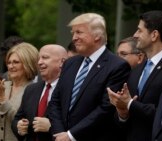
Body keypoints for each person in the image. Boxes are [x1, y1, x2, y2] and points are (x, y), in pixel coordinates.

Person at [48, 13, 131, 141]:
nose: (74, 38)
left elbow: (106, 108)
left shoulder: (117, 66)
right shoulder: (70, 63)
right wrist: (60, 133)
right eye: (73, 33)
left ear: (97, 36)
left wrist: (71, 135)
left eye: (79, 32)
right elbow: (55, 101)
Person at [107, 10, 162, 141]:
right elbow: (124, 120)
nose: (135, 35)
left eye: (139, 30)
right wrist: (122, 112)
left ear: (154, 35)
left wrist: (130, 104)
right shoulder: (136, 70)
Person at [0, 42, 39, 141]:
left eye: (16, 62)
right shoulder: (2, 87)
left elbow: (21, 124)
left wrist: (3, 99)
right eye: (9, 62)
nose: (11, 66)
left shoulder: (35, 90)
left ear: (28, 63)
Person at [11, 44, 67, 141]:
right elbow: (17, 119)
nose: (40, 62)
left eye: (45, 58)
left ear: (62, 62)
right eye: (39, 59)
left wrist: (51, 127)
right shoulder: (31, 89)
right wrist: (19, 126)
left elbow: (76, 126)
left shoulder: (70, 89)